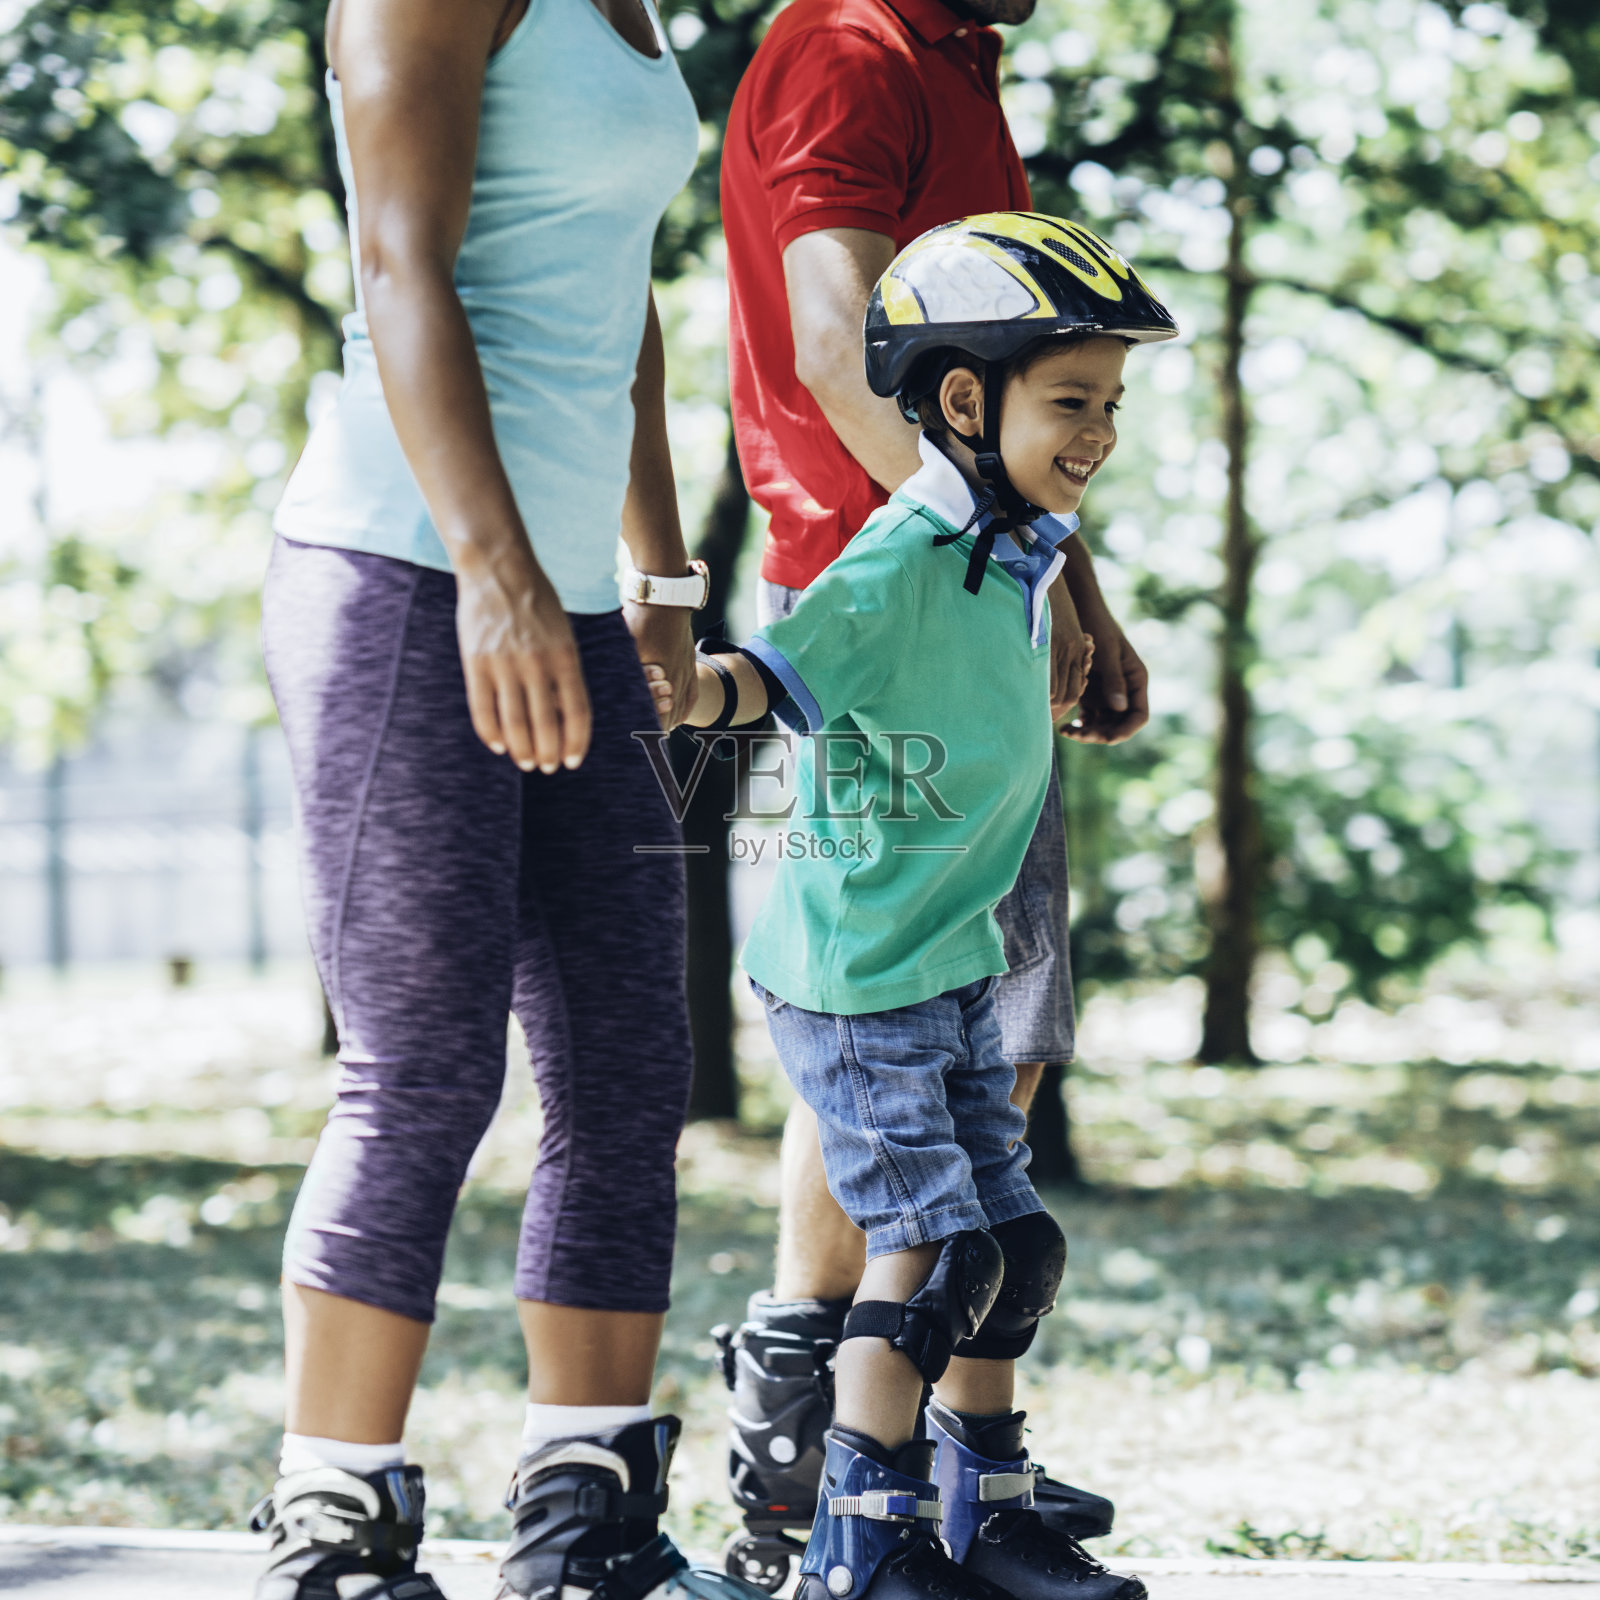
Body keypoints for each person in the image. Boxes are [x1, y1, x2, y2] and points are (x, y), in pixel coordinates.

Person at [253, 2, 764, 1597]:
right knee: (422, 1066)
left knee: (627, 1063)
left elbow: (622, 305)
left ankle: (585, 1512)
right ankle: (332, 1518)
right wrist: (495, 571)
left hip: (572, 599)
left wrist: (657, 570)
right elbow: (401, 264)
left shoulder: (636, 14)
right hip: (410, 573)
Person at [659, 214, 1175, 1600]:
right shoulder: (898, 559)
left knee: (1012, 1243)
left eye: (1110, 404)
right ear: (964, 399)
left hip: (939, 957)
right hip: (858, 976)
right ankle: (861, 1547)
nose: (1099, 432)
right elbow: (772, 677)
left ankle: (985, 1506)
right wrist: (689, 687)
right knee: (932, 1248)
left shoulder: (1014, 556)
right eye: (1072, 401)